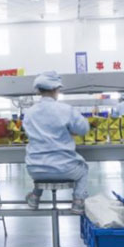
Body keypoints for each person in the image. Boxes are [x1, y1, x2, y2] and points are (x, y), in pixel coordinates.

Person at [23, 71, 91, 214]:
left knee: (44, 168)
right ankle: (78, 201)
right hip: (64, 168)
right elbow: (84, 129)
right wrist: (69, 131)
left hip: (35, 170)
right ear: (56, 89)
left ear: (39, 90)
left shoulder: (29, 113)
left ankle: (35, 197)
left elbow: (30, 133)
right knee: (83, 169)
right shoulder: (65, 109)